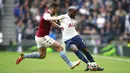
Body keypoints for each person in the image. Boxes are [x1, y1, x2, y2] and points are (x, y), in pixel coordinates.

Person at [16, 3, 81, 69]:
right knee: (60, 47)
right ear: (53, 8)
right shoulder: (47, 14)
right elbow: (48, 18)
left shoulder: (48, 15)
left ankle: (24, 56)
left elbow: (51, 23)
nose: (56, 12)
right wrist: (59, 17)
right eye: (56, 10)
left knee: (42, 55)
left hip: (39, 37)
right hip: (42, 37)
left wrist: (59, 27)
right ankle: (70, 64)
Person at [58, 6, 104, 71]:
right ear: (70, 11)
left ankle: (95, 65)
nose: (75, 14)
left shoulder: (73, 18)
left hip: (76, 36)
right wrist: (57, 26)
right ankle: (89, 64)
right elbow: (52, 20)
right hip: (67, 39)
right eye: (74, 12)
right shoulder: (62, 17)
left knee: (85, 50)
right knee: (74, 49)